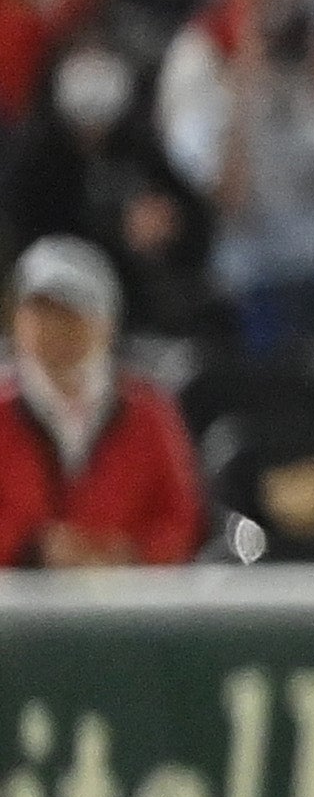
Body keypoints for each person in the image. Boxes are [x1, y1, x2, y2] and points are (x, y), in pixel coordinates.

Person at [0, 240, 205, 566]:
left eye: (71, 311)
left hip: (129, 606)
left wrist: (129, 556)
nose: (55, 326)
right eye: (41, 309)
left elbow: (180, 515)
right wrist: (33, 549)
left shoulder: (148, 412)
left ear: (107, 323)